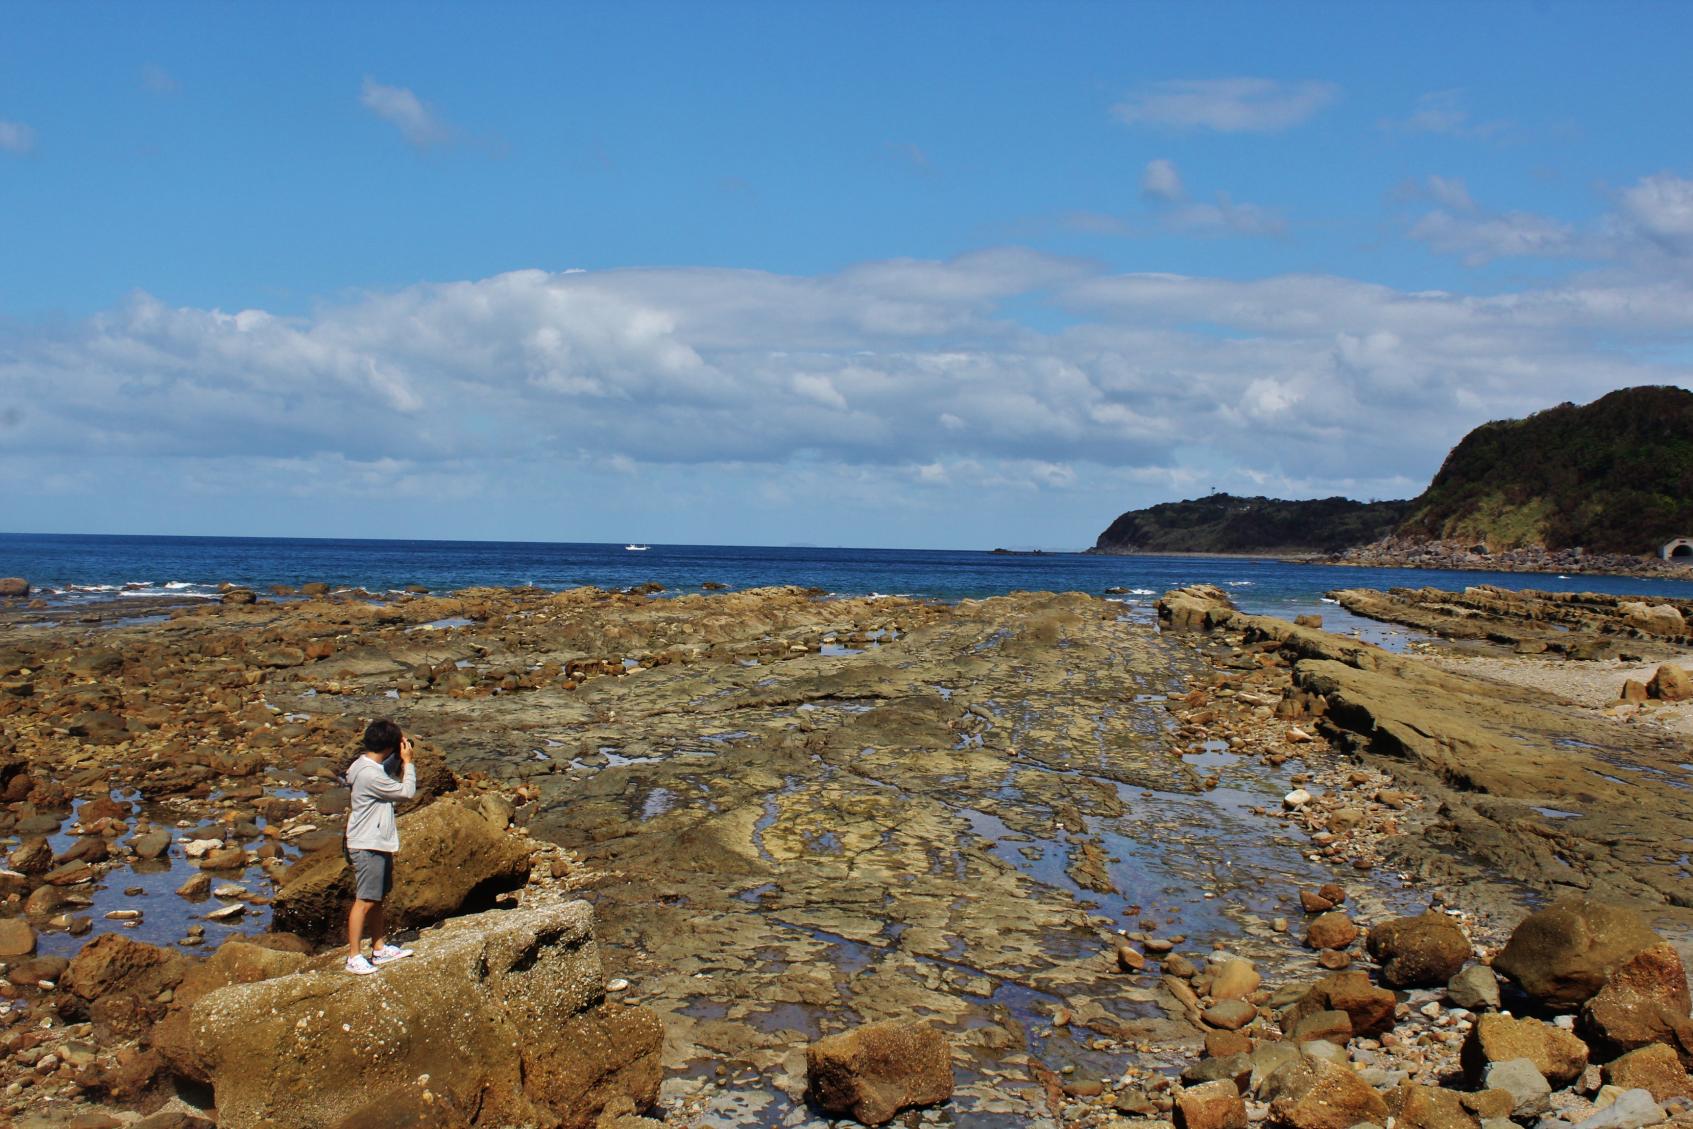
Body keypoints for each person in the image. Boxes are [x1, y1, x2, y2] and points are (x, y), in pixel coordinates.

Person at [344, 718, 418, 974]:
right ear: (389, 747)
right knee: (364, 900)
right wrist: (407, 763)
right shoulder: (370, 775)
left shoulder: (362, 765)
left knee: (376, 899)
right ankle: (354, 956)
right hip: (368, 844)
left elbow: (384, 770)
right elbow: (406, 792)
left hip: (374, 841)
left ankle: (379, 948)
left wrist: (396, 750)